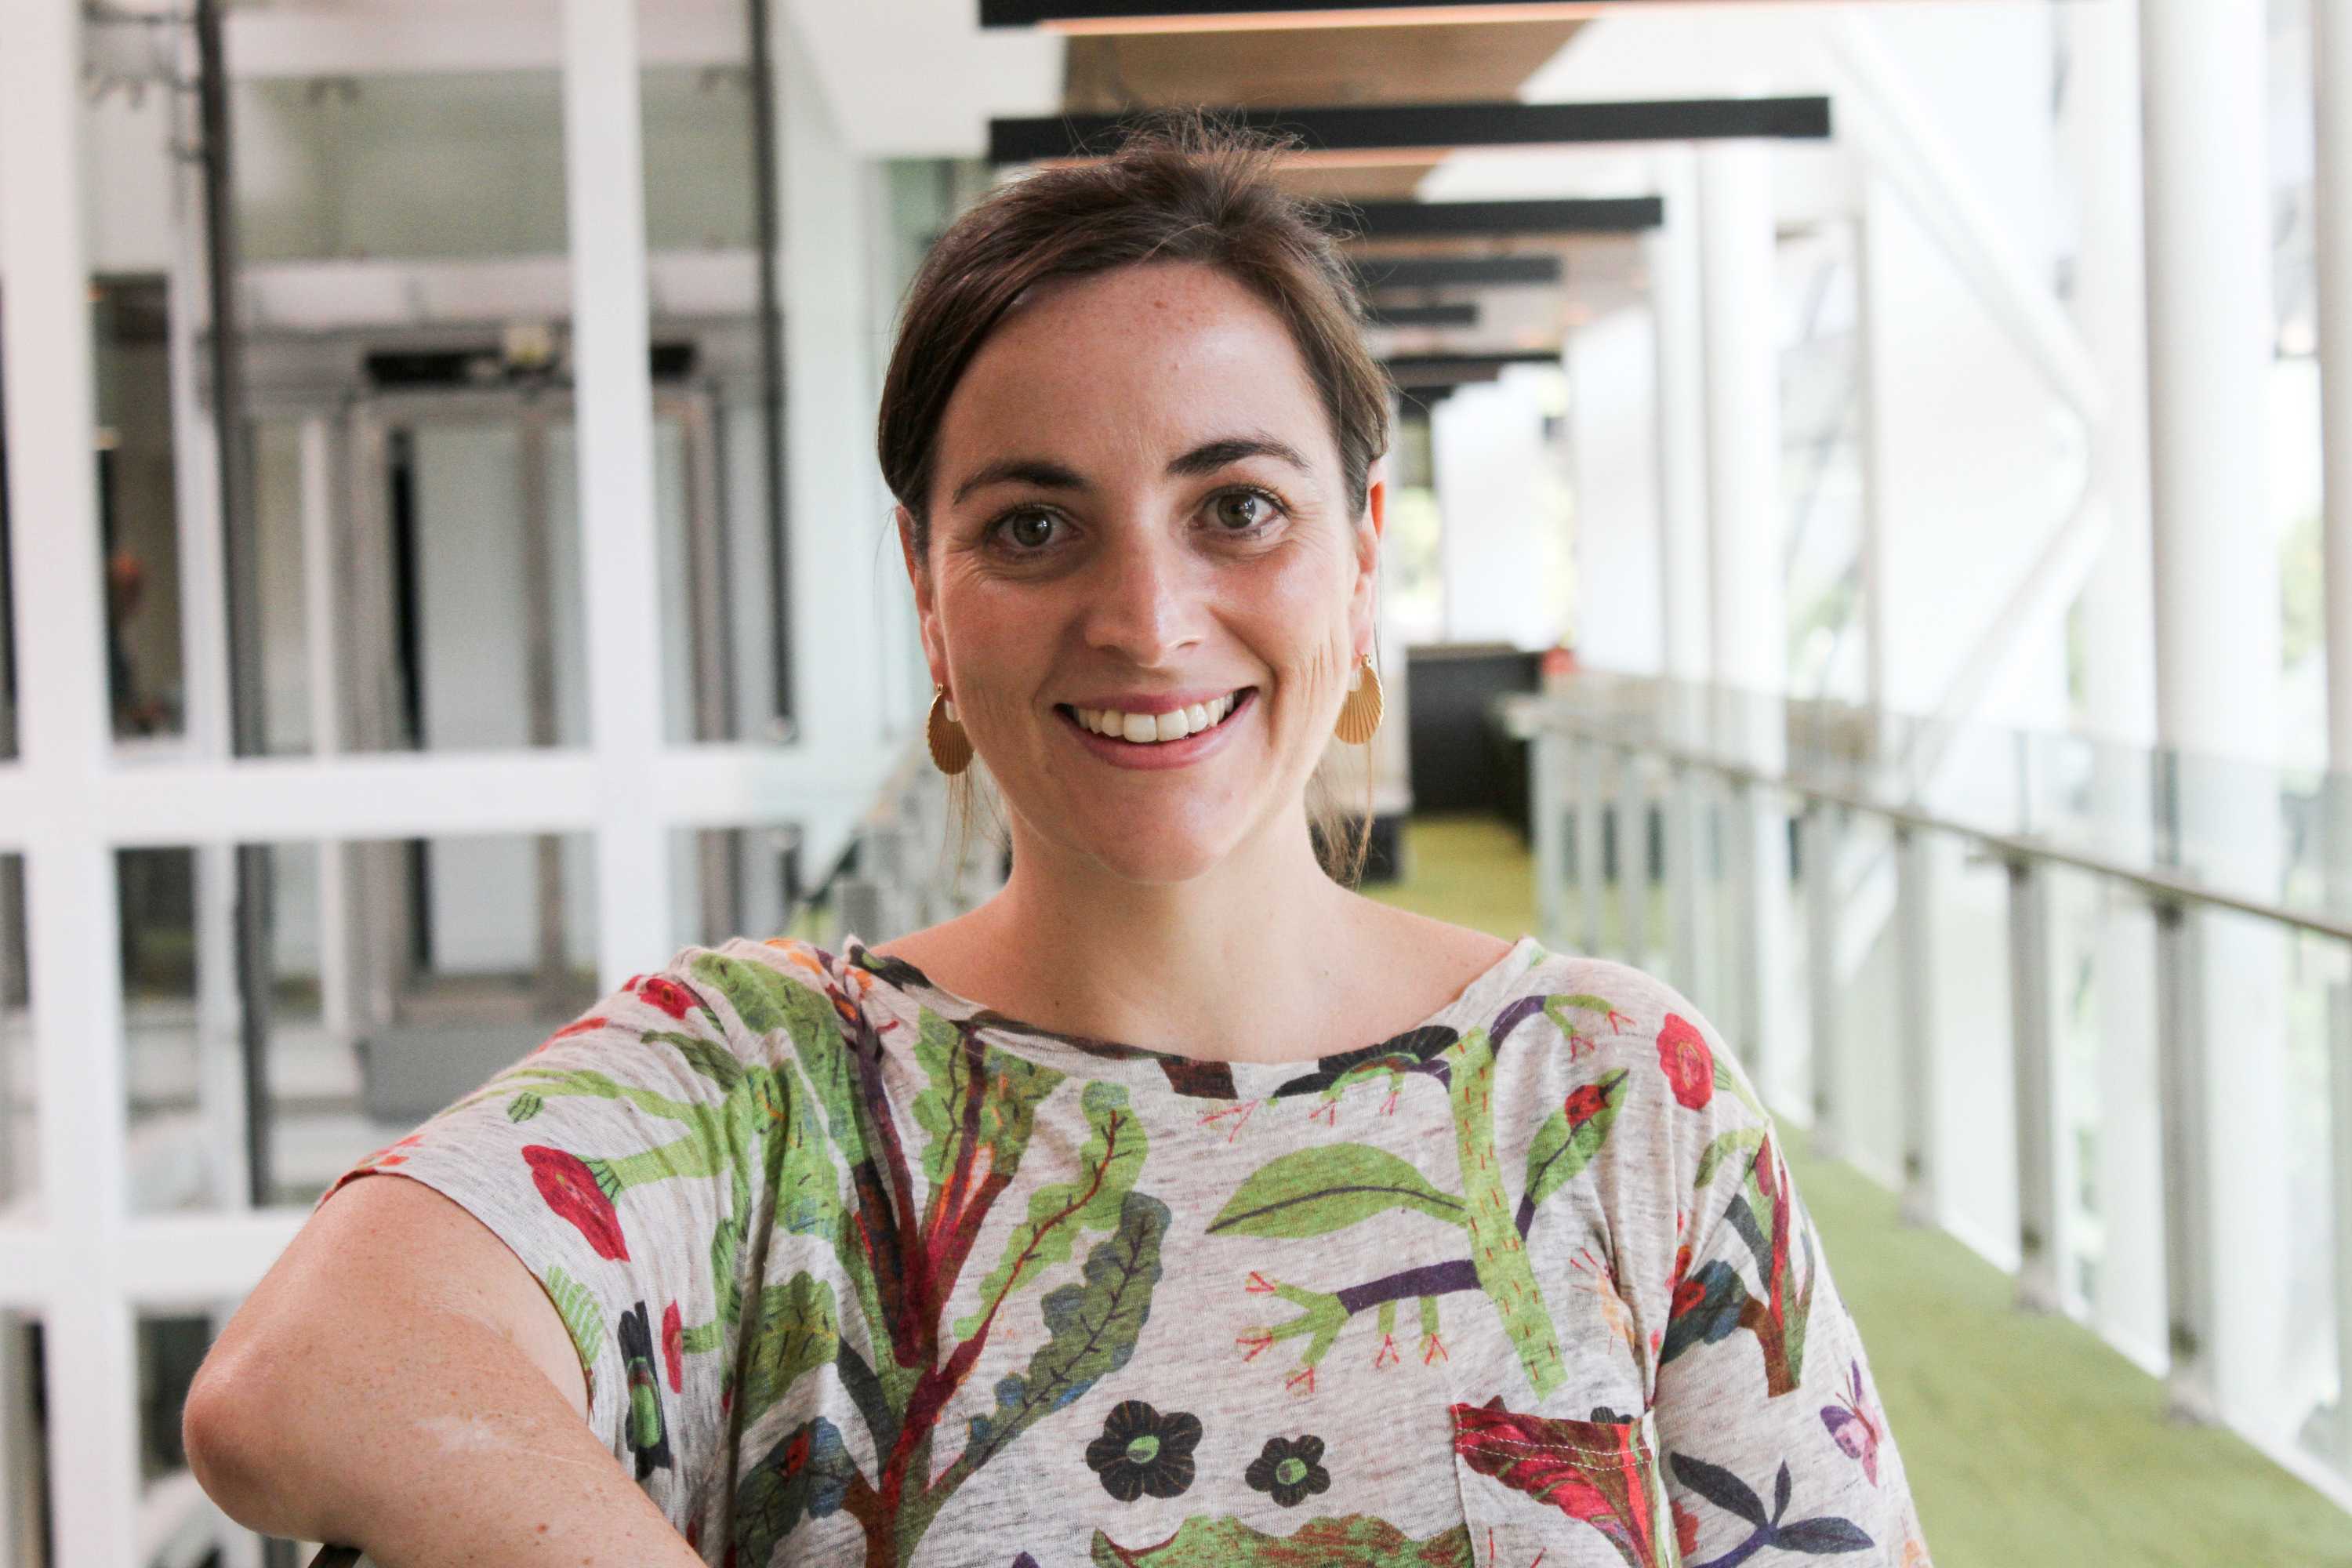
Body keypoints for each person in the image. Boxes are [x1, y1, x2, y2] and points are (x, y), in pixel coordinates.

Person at [183, 118, 1933, 1568]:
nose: (1147, 619)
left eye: (1236, 507)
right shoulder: (763, 1094)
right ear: (930, 608)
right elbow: (311, 1369)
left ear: (1363, 554)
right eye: (1035, 525)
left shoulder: (1617, 1098)